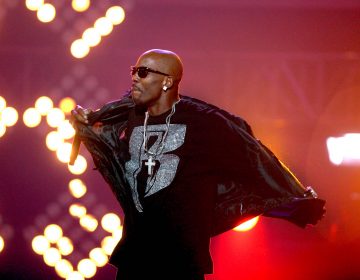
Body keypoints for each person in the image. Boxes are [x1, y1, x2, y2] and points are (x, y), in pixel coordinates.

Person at [70, 49, 325, 280]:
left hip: (181, 263)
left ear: (167, 81)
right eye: (134, 71)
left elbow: (252, 157)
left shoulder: (205, 122)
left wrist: (292, 202)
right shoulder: (132, 115)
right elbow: (124, 162)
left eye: (144, 72)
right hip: (135, 259)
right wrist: (91, 128)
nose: (135, 78)